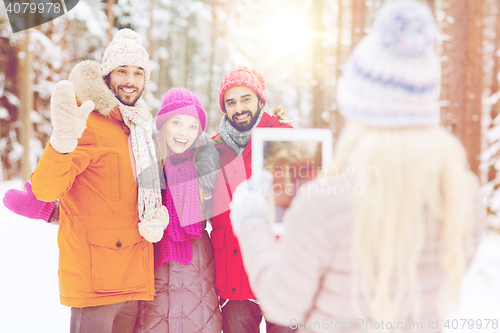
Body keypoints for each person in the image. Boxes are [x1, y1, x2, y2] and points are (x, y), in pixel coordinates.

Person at [229, 1, 486, 332]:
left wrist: (252, 218)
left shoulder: (326, 202)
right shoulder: (462, 191)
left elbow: (282, 303)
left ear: (358, 108)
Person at [4, 29, 168, 333]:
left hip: (133, 276)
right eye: (122, 71)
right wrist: (63, 141)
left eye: (137, 72)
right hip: (96, 280)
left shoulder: (140, 128)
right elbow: (46, 189)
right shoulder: (88, 122)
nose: (130, 80)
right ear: (107, 74)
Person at [210, 66, 294, 333]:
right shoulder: (213, 149)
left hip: (279, 273)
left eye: (245, 98)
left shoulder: (285, 139)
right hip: (233, 275)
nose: (239, 108)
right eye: (231, 102)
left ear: (260, 99)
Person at [134, 88, 222, 332]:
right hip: (155, 269)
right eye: (177, 123)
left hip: (198, 277)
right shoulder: (145, 167)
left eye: (193, 126)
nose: (185, 132)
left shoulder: (207, 168)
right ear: (163, 125)